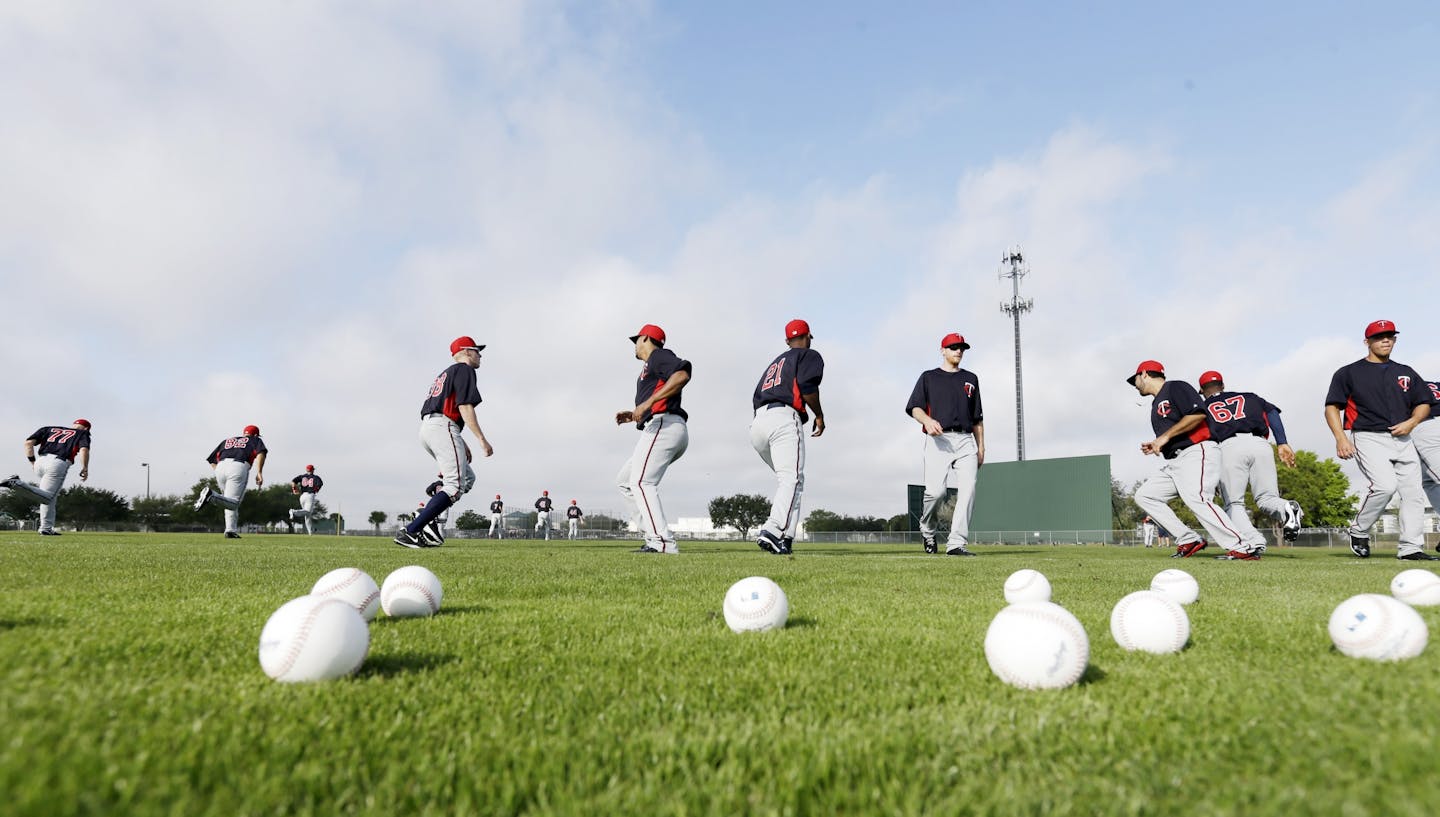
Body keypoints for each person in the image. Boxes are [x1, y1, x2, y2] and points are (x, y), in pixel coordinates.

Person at [1324, 320, 1436, 561]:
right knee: (1385, 486)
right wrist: (1340, 438)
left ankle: (1410, 548)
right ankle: (1359, 529)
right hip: (1368, 436)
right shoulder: (1349, 372)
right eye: (1379, 337)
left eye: (1390, 336)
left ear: (1395, 340)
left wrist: (1412, 422)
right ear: (1367, 342)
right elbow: (1332, 406)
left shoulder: (1405, 371)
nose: (1385, 340)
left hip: (1403, 437)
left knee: (1414, 493)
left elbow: (1424, 403)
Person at [1126, 361, 1249, 559]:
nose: (1135, 384)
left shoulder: (1175, 387)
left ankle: (1242, 546)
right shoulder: (1156, 402)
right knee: (1145, 495)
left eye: (1136, 379)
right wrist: (1159, 443)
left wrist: (1164, 437)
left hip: (1197, 450)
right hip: (1176, 461)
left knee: (1197, 498)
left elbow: (1198, 414)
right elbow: (1173, 432)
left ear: (1145, 374)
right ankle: (1188, 539)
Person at [394, 336, 493, 549]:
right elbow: (465, 406)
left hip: (431, 428)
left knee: (467, 479)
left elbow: (448, 410)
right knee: (454, 485)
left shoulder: (446, 373)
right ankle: (412, 530)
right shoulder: (465, 370)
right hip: (442, 427)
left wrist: (460, 440)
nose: (480, 355)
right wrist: (481, 439)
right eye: (476, 350)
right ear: (466, 351)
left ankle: (427, 513)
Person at [1197, 370, 1304, 553]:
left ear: (1201, 390)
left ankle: (1255, 542)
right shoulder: (1249, 397)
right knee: (1267, 498)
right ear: (1222, 385)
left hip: (1228, 447)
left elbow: (1204, 440)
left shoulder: (1202, 407)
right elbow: (1272, 413)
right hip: (1260, 444)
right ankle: (1286, 507)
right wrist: (1282, 442)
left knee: (1234, 503)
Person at [750, 318, 825, 555]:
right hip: (784, 417)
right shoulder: (808, 355)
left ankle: (785, 539)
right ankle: (773, 530)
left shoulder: (776, 362)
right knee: (791, 479)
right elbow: (806, 385)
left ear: (786, 340)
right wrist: (820, 415)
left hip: (758, 423)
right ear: (808, 337)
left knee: (793, 482)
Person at [615, 323, 692, 554]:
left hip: (665, 425)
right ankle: (652, 535)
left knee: (641, 482)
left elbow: (682, 375)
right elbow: (659, 395)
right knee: (625, 481)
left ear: (646, 338)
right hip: (659, 425)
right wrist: (637, 412)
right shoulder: (650, 366)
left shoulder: (659, 356)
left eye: (637, 340)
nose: (635, 345)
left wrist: (648, 404)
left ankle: (662, 543)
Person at [905, 333, 983, 556]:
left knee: (968, 490)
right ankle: (927, 529)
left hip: (966, 440)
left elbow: (977, 417)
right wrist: (927, 421)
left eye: (961, 348)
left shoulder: (971, 378)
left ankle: (956, 543)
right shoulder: (929, 377)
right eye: (954, 347)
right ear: (943, 350)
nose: (958, 351)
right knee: (936, 492)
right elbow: (915, 408)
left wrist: (981, 447)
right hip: (939, 440)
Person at [2, 419, 92, 536]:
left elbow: (28, 443)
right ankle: (16, 483)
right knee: (47, 498)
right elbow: (84, 449)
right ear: (86, 428)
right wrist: (85, 467)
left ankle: (46, 528)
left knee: (49, 498)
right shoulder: (83, 433)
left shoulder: (48, 428)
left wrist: (33, 462)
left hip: (40, 461)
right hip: (58, 463)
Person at [196, 424, 267, 539]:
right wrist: (259, 472)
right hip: (238, 466)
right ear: (255, 434)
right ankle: (211, 496)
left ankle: (230, 530)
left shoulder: (227, 440)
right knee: (234, 503)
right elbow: (261, 453)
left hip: (220, 467)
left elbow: (212, 460)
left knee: (226, 501)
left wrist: (220, 471)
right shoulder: (255, 439)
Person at [288, 464, 324, 535]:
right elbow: (320, 484)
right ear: (313, 470)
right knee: (307, 512)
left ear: (306, 470)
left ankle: (310, 532)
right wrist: (316, 489)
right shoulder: (315, 477)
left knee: (307, 515)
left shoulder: (302, 476)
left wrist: (294, 489)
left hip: (302, 496)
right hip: (310, 495)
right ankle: (293, 511)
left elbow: (293, 482)